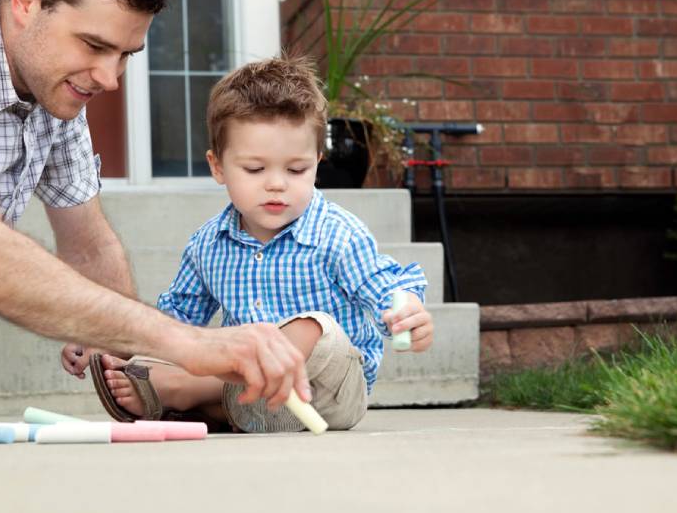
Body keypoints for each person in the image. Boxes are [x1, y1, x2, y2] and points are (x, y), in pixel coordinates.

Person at [0, 0, 310, 427]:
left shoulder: (56, 92)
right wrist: (190, 343)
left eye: (125, 55)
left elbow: (90, 247)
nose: (109, 78)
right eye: (94, 46)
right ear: (27, 1)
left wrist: (140, 371)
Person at [85, 56, 434, 433]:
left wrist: (407, 311)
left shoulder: (338, 235)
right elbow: (176, 322)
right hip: (263, 402)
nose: (277, 184)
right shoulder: (208, 245)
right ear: (217, 167)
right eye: (255, 169)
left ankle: (189, 391)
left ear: (317, 163)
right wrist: (112, 342)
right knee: (183, 349)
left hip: (328, 392)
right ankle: (210, 406)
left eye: (296, 170)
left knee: (313, 328)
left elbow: (387, 286)